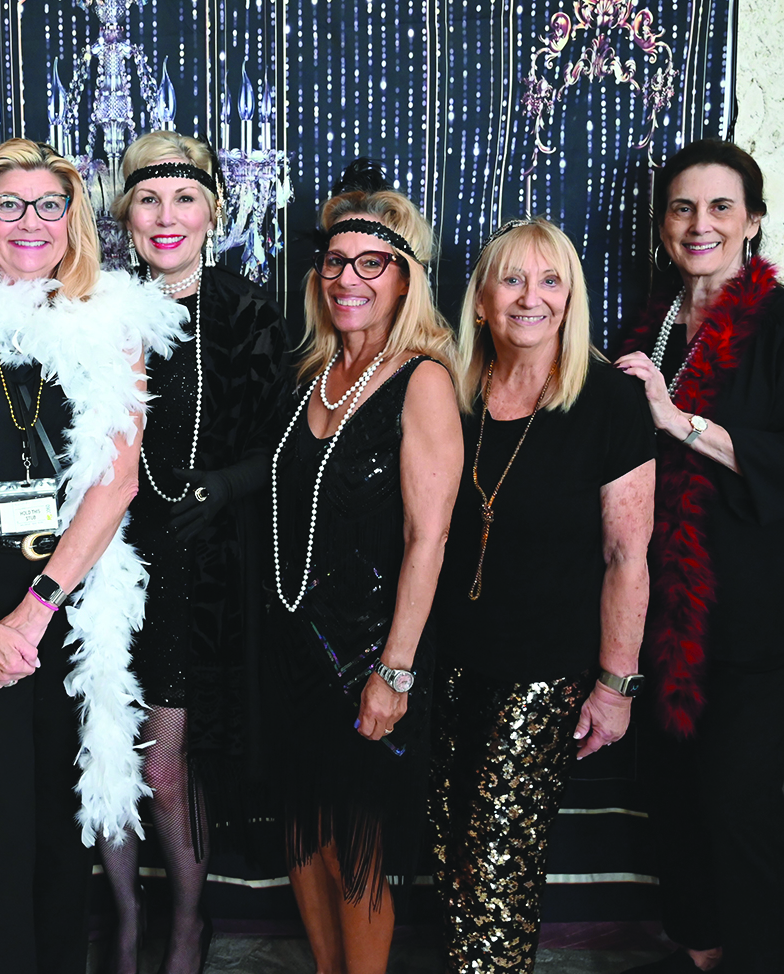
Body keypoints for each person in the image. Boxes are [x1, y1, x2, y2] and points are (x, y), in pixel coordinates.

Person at [0, 138, 186, 974]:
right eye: (9, 204)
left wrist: (34, 613)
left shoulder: (112, 321)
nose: (30, 222)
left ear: (73, 219)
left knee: (61, 824)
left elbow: (117, 480)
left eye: (48, 205)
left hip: (68, 594)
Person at [613, 139, 784, 974]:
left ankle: (764, 961)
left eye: (719, 207)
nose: (698, 224)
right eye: (681, 207)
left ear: (752, 222)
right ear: (663, 224)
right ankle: (702, 955)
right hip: (660, 610)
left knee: (738, 802)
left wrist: (677, 422)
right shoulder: (649, 329)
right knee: (672, 799)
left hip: (761, 611)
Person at [430, 217, 655, 970]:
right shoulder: (450, 391)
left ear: (571, 298)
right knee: (448, 853)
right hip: (446, 663)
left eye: (551, 280)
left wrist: (616, 686)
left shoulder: (610, 401)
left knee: (497, 868)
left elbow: (627, 555)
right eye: (513, 279)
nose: (532, 297)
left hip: (542, 672)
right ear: (481, 300)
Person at [97, 130, 289, 974]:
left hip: (196, 571)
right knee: (104, 756)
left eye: (183, 198)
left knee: (165, 770)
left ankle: (185, 922)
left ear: (212, 211)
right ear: (126, 215)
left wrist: (225, 486)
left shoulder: (247, 311)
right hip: (102, 565)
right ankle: (124, 919)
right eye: (148, 199)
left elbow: (288, 446)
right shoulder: (97, 307)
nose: (165, 216)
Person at [260, 172, 460, 974]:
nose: (348, 278)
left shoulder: (423, 379)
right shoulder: (310, 373)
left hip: (372, 653)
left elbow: (427, 538)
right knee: (303, 829)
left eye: (371, 263)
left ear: (404, 279)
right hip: (292, 646)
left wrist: (394, 671)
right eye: (335, 261)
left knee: (359, 843)